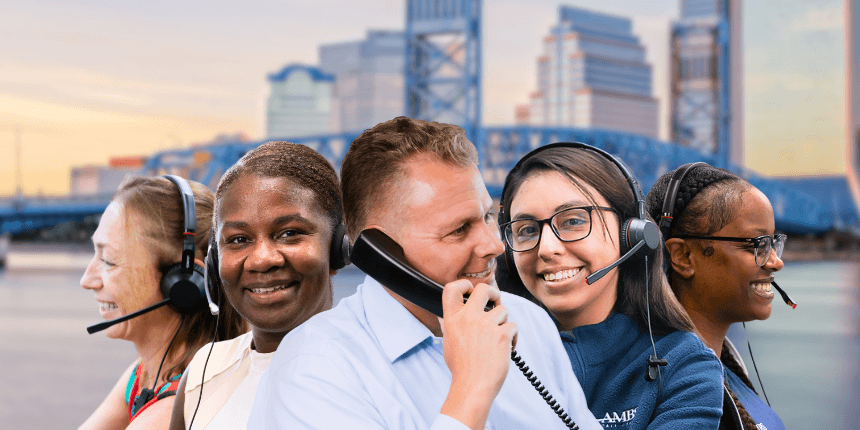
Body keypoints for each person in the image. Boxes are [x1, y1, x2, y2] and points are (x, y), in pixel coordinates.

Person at [249, 117, 601, 430]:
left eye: (488, 217)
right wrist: (471, 388)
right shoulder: (314, 369)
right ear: (381, 254)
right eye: (460, 229)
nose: (494, 246)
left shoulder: (527, 322)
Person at [495, 143, 724, 428]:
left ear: (632, 234)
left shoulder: (685, 365)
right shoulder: (486, 353)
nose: (546, 248)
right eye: (527, 230)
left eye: (573, 221)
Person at [168, 141, 347, 430]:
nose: (262, 259)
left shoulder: (377, 375)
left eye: (289, 233)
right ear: (215, 260)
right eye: (239, 239)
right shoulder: (204, 372)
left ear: (339, 247)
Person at [79, 176, 246, 430]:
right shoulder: (147, 374)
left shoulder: (167, 415)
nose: (87, 280)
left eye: (109, 261)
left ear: (186, 282)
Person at [645, 163, 786, 430]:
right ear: (683, 256)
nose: (776, 262)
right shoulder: (678, 391)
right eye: (757, 245)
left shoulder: (724, 361)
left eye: (773, 243)